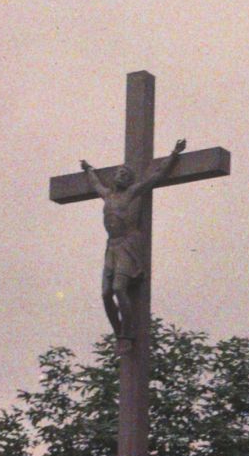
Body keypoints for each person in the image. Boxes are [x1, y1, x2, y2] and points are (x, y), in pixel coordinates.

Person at [76, 136, 186, 349]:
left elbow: (157, 175)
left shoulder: (134, 192)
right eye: (119, 173)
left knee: (119, 288)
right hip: (112, 247)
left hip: (127, 245)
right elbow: (95, 182)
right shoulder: (107, 195)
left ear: (130, 180)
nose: (122, 176)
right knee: (105, 293)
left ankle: (129, 330)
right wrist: (88, 169)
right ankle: (119, 333)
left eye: (126, 174)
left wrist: (174, 154)